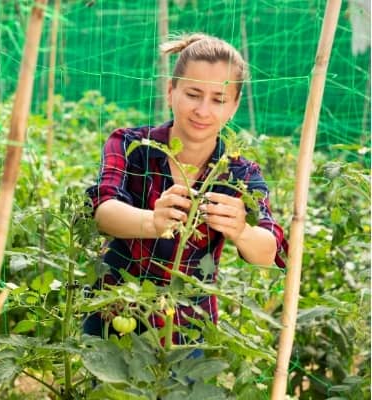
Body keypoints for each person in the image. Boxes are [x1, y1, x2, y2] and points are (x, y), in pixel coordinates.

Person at [84, 33, 287, 345]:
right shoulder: (131, 145)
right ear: (171, 91)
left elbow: (268, 249)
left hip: (187, 328)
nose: (203, 111)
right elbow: (103, 211)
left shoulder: (239, 173)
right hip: (115, 314)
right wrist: (152, 222)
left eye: (218, 100)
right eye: (193, 94)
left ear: (233, 107)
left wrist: (242, 231)